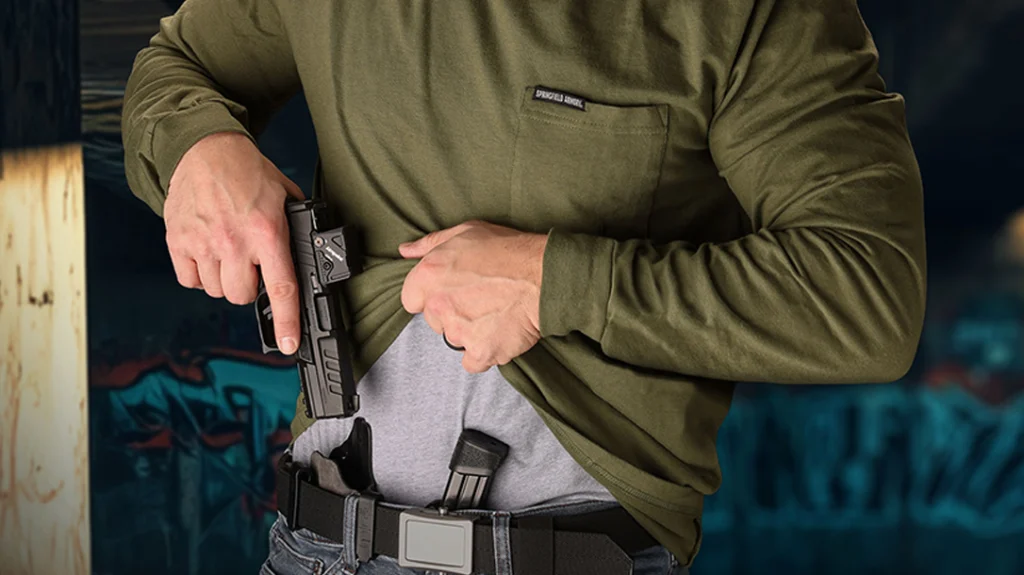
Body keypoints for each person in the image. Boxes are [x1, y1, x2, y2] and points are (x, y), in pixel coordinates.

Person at [121, 0, 927, 573]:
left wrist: (558, 282)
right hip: (316, 547)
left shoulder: (750, 12)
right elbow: (174, 70)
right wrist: (198, 149)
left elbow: (869, 292)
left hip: (575, 552)